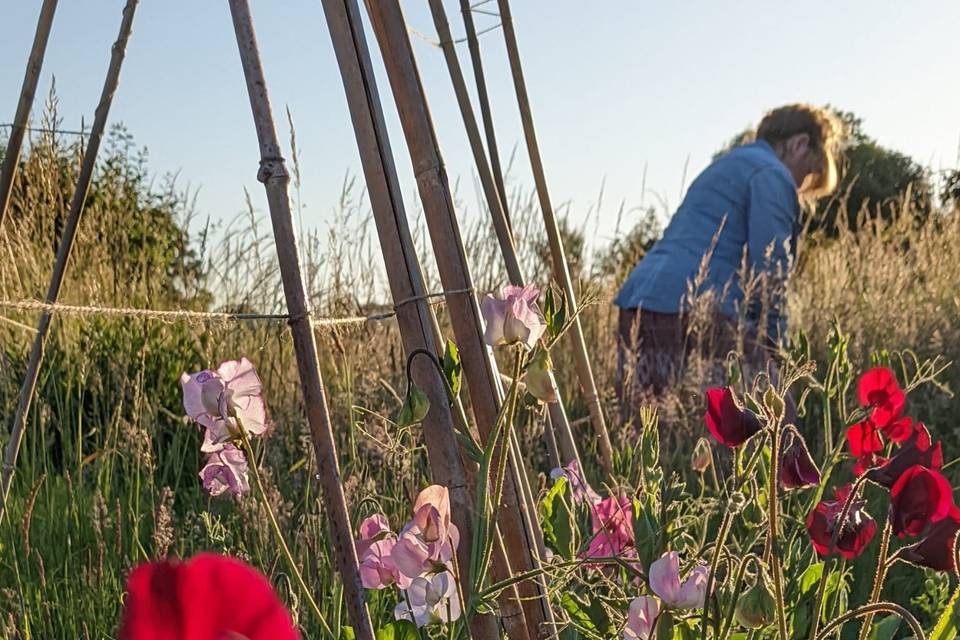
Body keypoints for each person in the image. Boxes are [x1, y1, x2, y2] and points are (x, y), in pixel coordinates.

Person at [615, 104, 841, 405]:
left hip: (637, 302)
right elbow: (770, 272)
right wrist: (777, 353)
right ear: (799, 144)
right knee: (774, 413)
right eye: (810, 170)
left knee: (652, 431)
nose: (801, 185)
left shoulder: (726, 165)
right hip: (697, 307)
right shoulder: (772, 173)